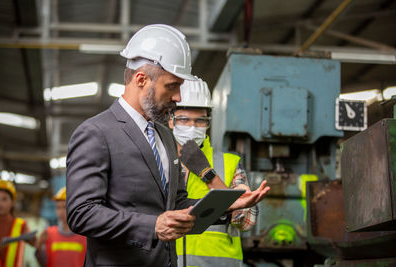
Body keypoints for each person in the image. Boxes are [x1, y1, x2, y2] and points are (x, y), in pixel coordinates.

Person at [66, 24, 270, 267]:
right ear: (141, 79)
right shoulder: (96, 133)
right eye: (172, 86)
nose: (177, 98)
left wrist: (227, 203)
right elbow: (82, 213)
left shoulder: (164, 137)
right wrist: (153, 225)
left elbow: (178, 204)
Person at [169, 78, 259, 267]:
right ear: (171, 120)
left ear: (208, 123)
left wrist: (208, 173)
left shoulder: (228, 163)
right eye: (184, 119)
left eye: (200, 120)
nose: (192, 127)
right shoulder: (157, 161)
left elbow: (245, 222)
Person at [35, 187, 86, 267]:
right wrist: (39, 247)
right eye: (58, 207)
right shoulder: (49, 233)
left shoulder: (84, 235)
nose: (61, 212)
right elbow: (44, 263)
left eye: (64, 207)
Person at [0, 179, 36, 267]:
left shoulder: (21, 225)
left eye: (4, 199)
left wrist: (33, 240)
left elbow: (34, 244)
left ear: (13, 202)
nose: (0, 203)